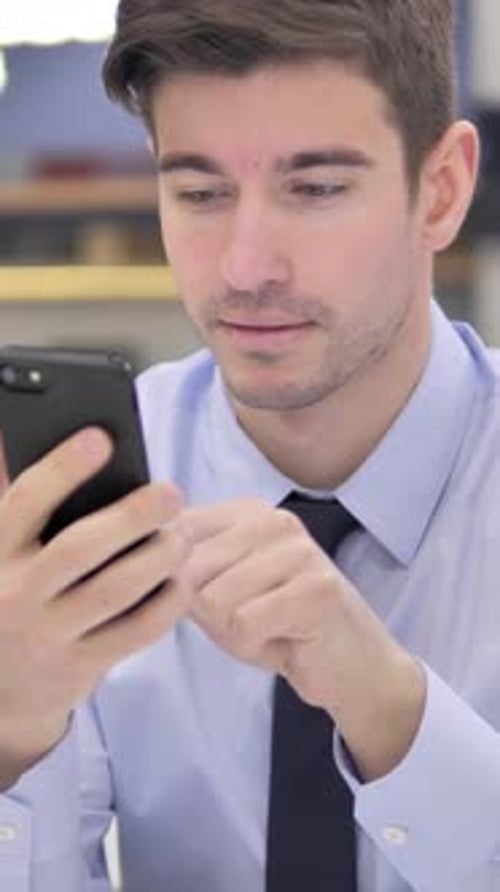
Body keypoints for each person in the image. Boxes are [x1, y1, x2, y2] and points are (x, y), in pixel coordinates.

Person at [0, 0, 499, 889]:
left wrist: (392, 713)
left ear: (445, 189)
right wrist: (11, 734)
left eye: (315, 189)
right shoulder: (103, 487)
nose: (245, 267)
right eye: (199, 193)